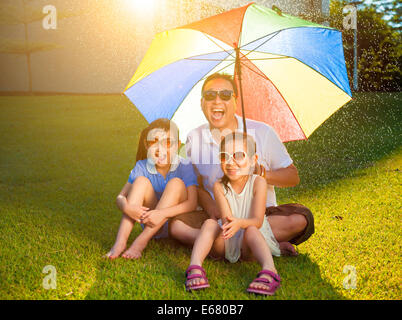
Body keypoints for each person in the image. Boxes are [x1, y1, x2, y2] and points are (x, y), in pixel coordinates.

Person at [169, 73, 314, 269]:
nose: (217, 100)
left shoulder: (263, 132)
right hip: (218, 218)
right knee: (176, 227)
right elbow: (196, 185)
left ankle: (222, 245)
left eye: (225, 94)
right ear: (202, 103)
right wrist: (211, 206)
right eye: (210, 95)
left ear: (236, 101)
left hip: (261, 215)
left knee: (301, 219)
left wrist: (261, 173)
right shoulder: (195, 137)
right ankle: (258, 246)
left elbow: (292, 176)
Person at [185, 132, 281, 295]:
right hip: (228, 237)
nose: (231, 162)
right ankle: (195, 266)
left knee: (250, 230)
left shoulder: (258, 182)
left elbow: (257, 221)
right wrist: (233, 224)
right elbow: (227, 220)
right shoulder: (219, 186)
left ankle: (270, 271)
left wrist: (240, 223)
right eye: (225, 156)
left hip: (250, 240)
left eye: (239, 155)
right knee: (210, 223)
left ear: (253, 160)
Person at [105, 118, 198, 259]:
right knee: (141, 181)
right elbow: (120, 197)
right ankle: (120, 243)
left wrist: (162, 214)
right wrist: (127, 207)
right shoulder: (142, 166)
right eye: (154, 142)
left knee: (176, 183)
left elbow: (192, 203)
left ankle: (139, 244)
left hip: (176, 223)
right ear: (147, 145)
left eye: (168, 143)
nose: (160, 150)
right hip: (150, 220)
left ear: (178, 145)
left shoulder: (184, 166)